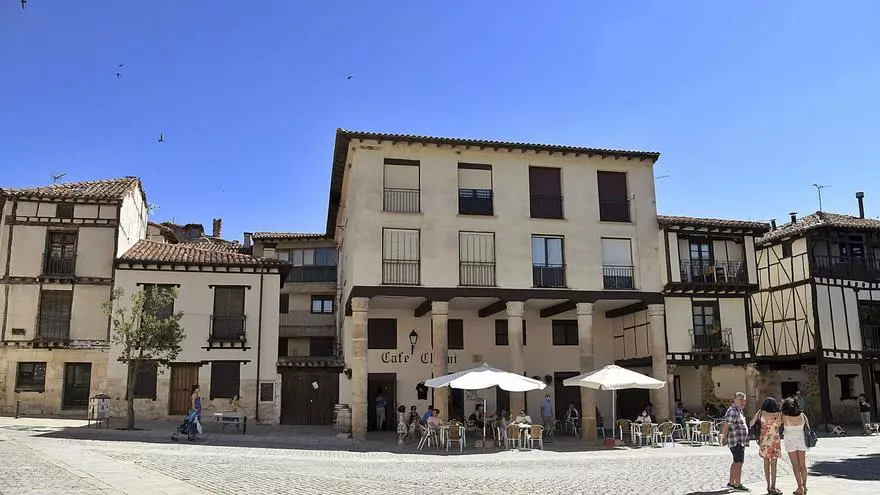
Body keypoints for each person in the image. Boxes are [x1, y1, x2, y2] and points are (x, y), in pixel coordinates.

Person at [751, 397, 783, 495]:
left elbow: (751, 423)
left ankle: (768, 486)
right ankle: (773, 486)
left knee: (766, 462)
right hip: (775, 440)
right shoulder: (778, 414)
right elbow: (780, 424)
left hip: (764, 440)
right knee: (774, 464)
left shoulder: (760, 413)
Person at [720, 392, 750, 492]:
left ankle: (731, 483)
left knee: (736, 461)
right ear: (735, 400)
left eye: (744, 400)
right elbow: (727, 425)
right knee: (739, 462)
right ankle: (737, 484)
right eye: (740, 399)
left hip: (739, 441)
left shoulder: (739, 410)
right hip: (736, 441)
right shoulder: (733, 411)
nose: (743, 402)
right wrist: (724, 438)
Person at [782, 397, 810, 495]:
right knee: (803, 464)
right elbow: (808, 428)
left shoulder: (784, 417)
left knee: (795, 465)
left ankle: (799, 487)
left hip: (790, 441)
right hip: (801, 440)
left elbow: (776, 424)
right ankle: (804, 486)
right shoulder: (802, 415)